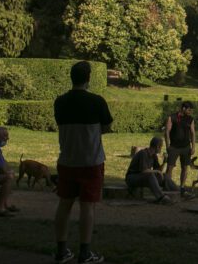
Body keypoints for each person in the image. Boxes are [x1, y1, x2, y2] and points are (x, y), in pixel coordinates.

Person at [53, 61, 113, 264]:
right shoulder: (97, 102)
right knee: (87, 207)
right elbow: (106, 127)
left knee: (64, 205)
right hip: (91, 161)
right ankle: (85, 252)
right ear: (88, 78)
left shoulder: (60, 102)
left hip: (67, 160)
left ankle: (61, 250)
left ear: (72, 77)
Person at [126, 136, 178, 204]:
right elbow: (144, 170)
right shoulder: (143, 153)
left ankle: (179, 192)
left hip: (143, 177)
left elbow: (158, 171)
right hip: (132, 178)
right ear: (157, 146)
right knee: (150, 175)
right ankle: (161, 198)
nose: (161, 148)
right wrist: (157, 171)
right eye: (161, 146)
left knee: (164, 176)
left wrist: (164, 162)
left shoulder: (154, 156)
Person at [165, 101, 196, 199]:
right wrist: (168, 146)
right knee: (170, 167)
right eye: (189, 110)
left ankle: (182, 188)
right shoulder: (172, 117)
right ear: (183, 108)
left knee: (185, 167)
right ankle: (167, 188)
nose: (190, 112)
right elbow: (166, 132)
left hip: (186, 147)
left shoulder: (190, 119)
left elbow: (193, 133)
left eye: (191, 110)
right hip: (174, 147)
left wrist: (193, 146)